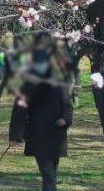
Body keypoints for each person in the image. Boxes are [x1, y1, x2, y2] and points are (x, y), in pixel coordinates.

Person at [9, 50, 72, 191]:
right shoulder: (29, 83)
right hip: (38, 135)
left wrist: (65, 119)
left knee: (51, 176)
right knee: (49, 177)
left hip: (56, 135)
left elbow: (67, 105)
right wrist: (15, 135)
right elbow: (19, 110)